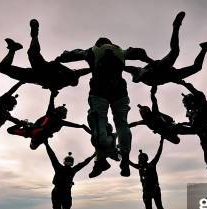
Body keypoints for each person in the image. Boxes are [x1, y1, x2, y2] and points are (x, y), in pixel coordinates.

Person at [55, 38, 153, 178]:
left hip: (99, 90)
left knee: (97, 120)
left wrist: (59, 59)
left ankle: (101, 160)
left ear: (98, 44)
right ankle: (124, 159)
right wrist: (149, 60)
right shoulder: (120, 51)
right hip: (120, 90)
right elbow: (138, 52)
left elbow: (73, 54)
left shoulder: (92, 51)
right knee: (122, 124)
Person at [124, 11, 207, 87]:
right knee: (197, 67)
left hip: (164, 70)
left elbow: (154, 64)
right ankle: (204, 47)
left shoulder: (144, 70)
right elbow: (161, 78)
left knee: (175, 51)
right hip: (172, 75)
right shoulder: (144, 78)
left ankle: (176, 26)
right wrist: (179, 82)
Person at [0, 19, 91, 91]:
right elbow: (83, 71)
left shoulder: (68, 79)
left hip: (34, 74)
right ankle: (30, 38)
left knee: (2, 67)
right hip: (37, 73)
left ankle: (14, 48)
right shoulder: (69, 77)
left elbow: (82, 71)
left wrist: (93, 68)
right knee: (32, 54)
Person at [7, 90, 91, 149]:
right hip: (41, 128)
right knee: (48, 118)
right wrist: (81, 126)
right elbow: (72, 124)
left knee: (48, 118)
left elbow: (10, 130)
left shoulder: (29, 132)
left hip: (39, 128)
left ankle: (53, 94)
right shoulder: (58, 121)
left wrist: (21, 124)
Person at [44, 141, 95, 209]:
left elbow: (52, 156)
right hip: (63, 194)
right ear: (71, 163)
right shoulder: (72, 170)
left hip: (58, 193)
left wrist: (47, 144)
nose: (68, 162)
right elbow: (84, 163)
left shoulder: (60, 168)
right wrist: (94, 155)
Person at [130, 137, 170, 209]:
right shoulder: (139, 167)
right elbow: (128, 162)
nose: (139, 160)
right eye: (139, 158)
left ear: (145, 159)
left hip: (155, 190)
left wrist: (162, 141)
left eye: (141, 158)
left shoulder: (151, 164)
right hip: (147, 192)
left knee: (159, 207)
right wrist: (120, 153)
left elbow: (158, 153)